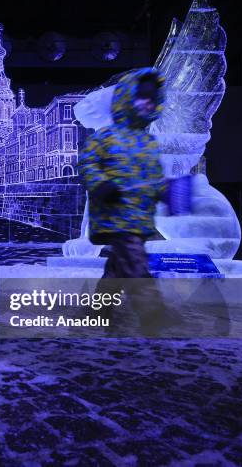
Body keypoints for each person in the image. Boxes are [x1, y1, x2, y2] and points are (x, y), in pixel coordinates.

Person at [78, 68, 171, 335]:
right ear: (126, 98)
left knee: (117, 270)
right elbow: (86, 162)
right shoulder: (106, 137)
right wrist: (101, 184)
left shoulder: (149, 143)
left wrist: (164, 191)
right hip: (116, 214)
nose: (146, 103)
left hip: (140, 217)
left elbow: (154, 175)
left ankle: (98, 312)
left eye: (151, 99)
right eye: (140, 97)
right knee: (136, 266)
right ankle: (155, 320)